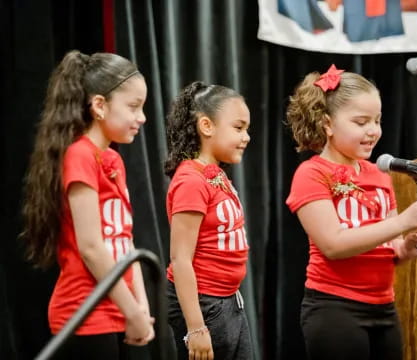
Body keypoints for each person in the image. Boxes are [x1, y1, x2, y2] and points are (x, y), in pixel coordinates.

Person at [285, 64, 417, 360]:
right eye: (361, 122)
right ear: (328, 124)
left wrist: (408, 247)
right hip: (335, 308)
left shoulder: (379, 174)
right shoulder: (312, 173)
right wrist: (404, 222)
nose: (373, 131)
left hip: (384, 308)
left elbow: (390, 246)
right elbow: (333, 245)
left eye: (378, 121)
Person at [21, 50, 155, 359]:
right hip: (84, 315)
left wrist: (140, 309)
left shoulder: (113, 160)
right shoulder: (79, 155)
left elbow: (124, 242)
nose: (142, 117)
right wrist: (131, 309)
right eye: (134, 107)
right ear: (99, 106)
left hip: (120, 308)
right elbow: (92, 247)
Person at [164, 81, 252, 360]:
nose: (246, 136)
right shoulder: (191, 180)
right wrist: (196, 328)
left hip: (228, 299)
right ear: (206, 126)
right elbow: (180, 260)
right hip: (204, 304)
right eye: (238, 128)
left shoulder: (215, 175)